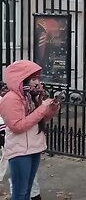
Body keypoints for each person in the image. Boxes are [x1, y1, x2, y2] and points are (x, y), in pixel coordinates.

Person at [0, 60, 60, 200]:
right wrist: (42, 108)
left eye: (38, 78)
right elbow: (17, 126)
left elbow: (41, 120)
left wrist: (51, 108)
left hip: (34, 148)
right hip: (20, 151)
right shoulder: (11, 99)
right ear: (23, 79)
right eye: (33, 79)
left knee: (28, 192)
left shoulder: (31, 97)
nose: (37, 82)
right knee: (20, 194)